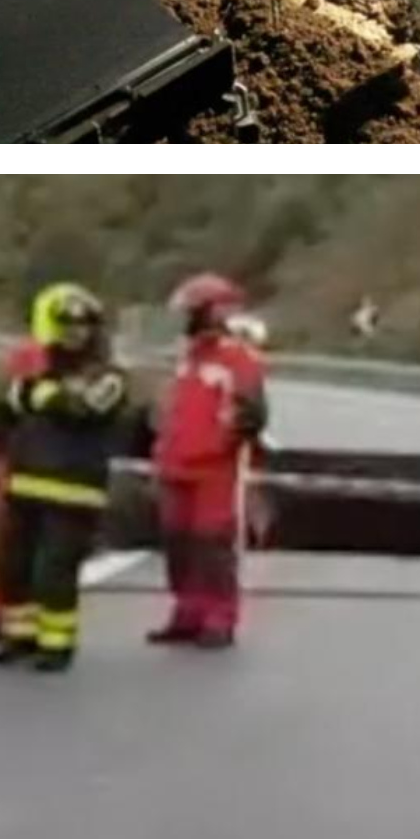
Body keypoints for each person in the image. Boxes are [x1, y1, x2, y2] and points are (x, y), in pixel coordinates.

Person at [0, 282, 134, 672]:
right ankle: (18, 636)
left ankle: (57, 644)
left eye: (83, 325)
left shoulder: (110, 375)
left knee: (55, 572)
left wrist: (41, 395)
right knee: (12, 566)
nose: (74, 332)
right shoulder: (37, 369)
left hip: (75, 492)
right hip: (24, 483)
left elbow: (83, 407)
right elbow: (5, 409)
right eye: (66, 323)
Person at [150, 274, 269, 648]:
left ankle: (219, 616)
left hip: (214, 468)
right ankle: (187, 612)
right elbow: (169, 409)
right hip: (175, 464)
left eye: (189, 313)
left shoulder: (237, 359)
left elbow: (253, 414)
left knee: (212, 544)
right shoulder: (185, 359)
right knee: (178, 543)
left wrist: (227, 439)